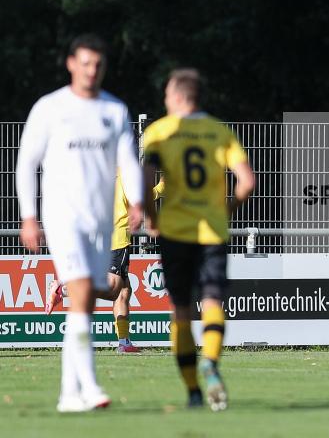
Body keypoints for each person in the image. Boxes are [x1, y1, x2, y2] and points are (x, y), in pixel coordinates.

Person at [16, 34, 143, 412]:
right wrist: (28, 216)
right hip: (62, 216)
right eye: (85, 63)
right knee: (86, 290)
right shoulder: (50, 108)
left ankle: (68, 394)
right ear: (71, 63)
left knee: (84, 304)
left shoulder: (114, 110)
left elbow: (129, 161)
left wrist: (137, 201)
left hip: (101, 221)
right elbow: (26, 163)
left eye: (98, 64)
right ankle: (89, 386)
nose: (92, 70)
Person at [142, 68, 255, 410]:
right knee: (212, 303)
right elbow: (248, 182)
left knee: (180, 311)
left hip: (175, 231)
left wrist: (152, 218)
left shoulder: (160, 132)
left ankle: (193, 392)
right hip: (212, 232)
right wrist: (229, 209)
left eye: (166, 94)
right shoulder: (219, 131)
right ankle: (211, 361)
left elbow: (144, 184)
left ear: (177, 97)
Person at [46, 172, 165, 354]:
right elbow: (140, 199)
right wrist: (163, 187)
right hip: (117, 239)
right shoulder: (124, 174)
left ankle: (124, 342)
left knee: (125, 291)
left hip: (100, 237)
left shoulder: (99, 172)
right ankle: (62, 289)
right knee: (114, 289)